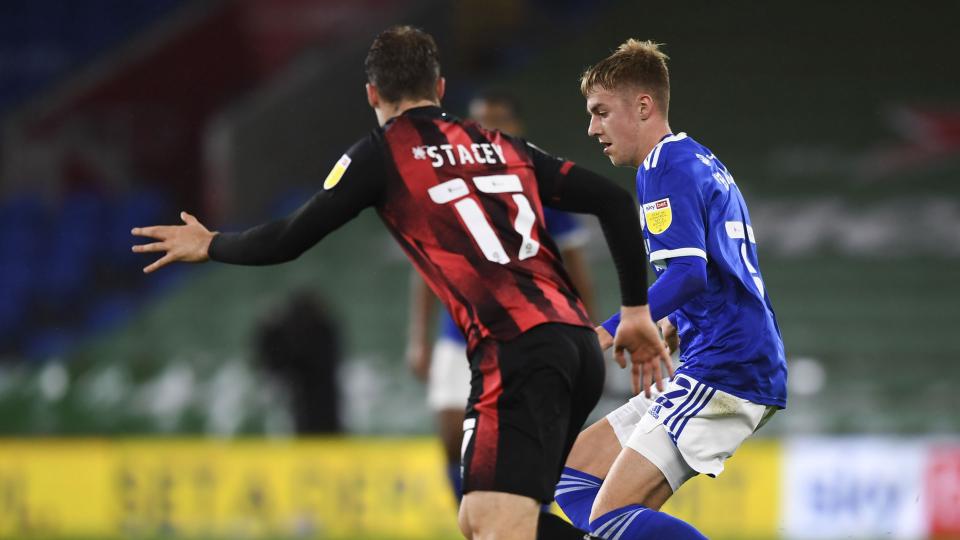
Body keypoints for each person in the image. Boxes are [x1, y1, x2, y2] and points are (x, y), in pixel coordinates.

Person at [132, 26, 672, 540]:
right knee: (486, 517)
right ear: (439, 88)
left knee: (494, 522)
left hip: (516, 350)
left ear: (372, 93)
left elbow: (289, 238)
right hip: (575, 347)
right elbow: (613, 201)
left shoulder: (383, 152)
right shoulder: (497, 143)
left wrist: (212, 244)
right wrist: (634, 310)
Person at [552, 39, 788, 539]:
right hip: (720, 353)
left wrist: (603, 333)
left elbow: (688, 274)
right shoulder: (695, 159)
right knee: (574, 477)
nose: (592, 128)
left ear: (643, 106)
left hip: (726, 365)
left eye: (600, 112)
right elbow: (713, 268)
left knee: (610, 519)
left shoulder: (664, 167)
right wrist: (673, 322)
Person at [405, 88, 596, 505]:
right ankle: (476, 525)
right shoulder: (447, 186)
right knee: (452, 437)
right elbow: (426, 269)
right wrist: (418, 339)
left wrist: (588, 336)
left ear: (516, 127)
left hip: (530, 332)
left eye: (497, 121)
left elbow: (577, 271)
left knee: (527, 440)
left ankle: (531, 520)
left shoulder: (545, 184)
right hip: (461, 334)